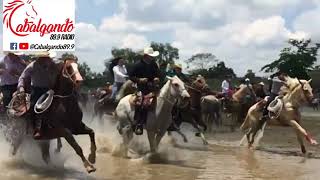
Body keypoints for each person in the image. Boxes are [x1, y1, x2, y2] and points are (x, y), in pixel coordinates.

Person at [17, 51, 59, 139]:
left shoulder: (53, 65)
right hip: (37, 90)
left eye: (47, 57)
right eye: (44, 57)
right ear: (40, 58)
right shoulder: (32, 66)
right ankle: (37, 129)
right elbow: (23, 77)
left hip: (50, 90)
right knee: (33, 108)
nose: (47, 59)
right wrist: (21, 87)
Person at [128, 46, 161, 135]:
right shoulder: (137, 65)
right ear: (146, 56)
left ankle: (162, 123)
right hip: (141, 87)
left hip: (153, 87)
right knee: (142, 102)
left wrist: (157, 78)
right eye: (151, 56)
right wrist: (139, 80)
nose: (152, 57)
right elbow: (131, 76)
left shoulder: (153, 64)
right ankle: (139, 123)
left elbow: (158, 73)